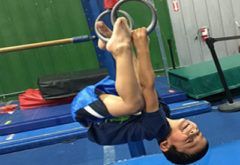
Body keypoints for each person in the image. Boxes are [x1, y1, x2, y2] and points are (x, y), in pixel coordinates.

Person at [71, 17, 209, 164]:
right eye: (198, 133)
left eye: (189, 140)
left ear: (165, 145)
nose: (193, 132)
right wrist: (132, 47)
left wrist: (142, 47)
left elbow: (147, 85)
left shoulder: (155, 128)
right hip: (106, 101)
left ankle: (120, 49)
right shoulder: (164, 113)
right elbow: (141, 81)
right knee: (138, 96)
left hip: (89, 114)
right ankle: (113, 44)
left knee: (134, 104)